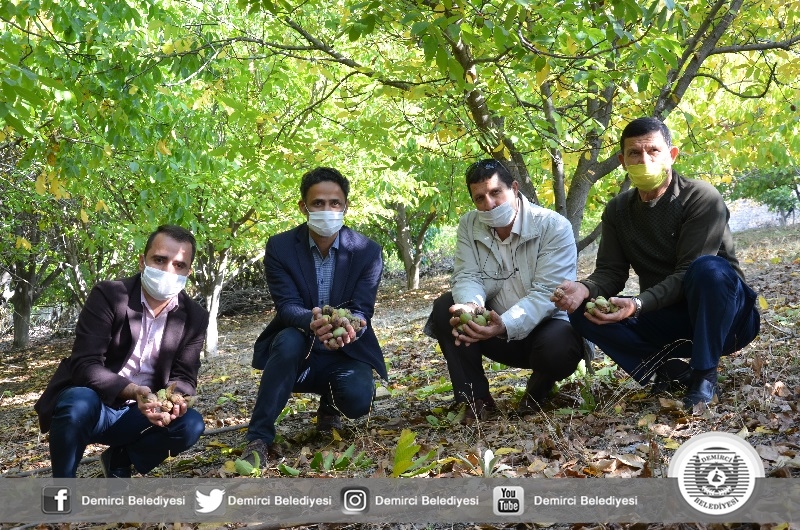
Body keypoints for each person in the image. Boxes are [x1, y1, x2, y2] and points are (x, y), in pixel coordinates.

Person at [552, 117, 761, 409]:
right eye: (634, 153)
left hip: (728, 320)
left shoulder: (701, 197)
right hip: (669, 318)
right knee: (584, 310)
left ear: (671, 155)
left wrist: (637, 304)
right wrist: (584, 288)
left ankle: (704, 376)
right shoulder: (617, 210)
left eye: (653, 150)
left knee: (707, 269)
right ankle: (670, 370)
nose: (644, 160)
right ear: (622, 161)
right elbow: (611, 272)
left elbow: (689, 271)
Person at [35, 224, 209, 478]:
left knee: (191, 424)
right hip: (94, 406)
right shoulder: (110, 295)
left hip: (142, 413)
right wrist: (133, 390)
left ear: (188, 272)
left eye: (179, 265)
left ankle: (119, 459)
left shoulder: (194, 316)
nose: (168, 271)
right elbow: (85, 364)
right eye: (159, 260)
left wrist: (173, 401)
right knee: (78, 401)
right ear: (142, 261)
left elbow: (185, 375)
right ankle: (62, 486)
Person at [242, 166, 386, 465]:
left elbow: (363, 308)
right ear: (303, 206)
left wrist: (353, 326)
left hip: (346, 350)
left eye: (335, 203)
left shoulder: (367, 251)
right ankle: (258, 437)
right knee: (288, 341)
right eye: (318, 203)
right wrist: (313, 321)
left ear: (346, 206)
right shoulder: (280, 247)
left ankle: (331, 408)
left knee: (359, 401)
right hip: (300, 348)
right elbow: (287, 305)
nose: (327, 210)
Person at [423, 159, 585, 423]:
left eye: (495, 192)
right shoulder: (469, 225)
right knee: (445, 308)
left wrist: (505, 324)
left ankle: (538, 392)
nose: (489, 204)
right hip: (493, 327)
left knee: (560, 344)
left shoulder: (553, 226)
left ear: (515, 188)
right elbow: (467, 275)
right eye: (479, 198)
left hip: (545, 330)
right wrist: (470, 307)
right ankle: (475, 399)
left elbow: (548, 292)